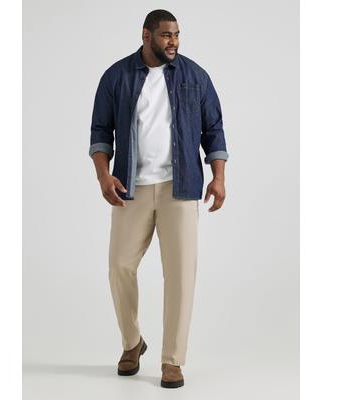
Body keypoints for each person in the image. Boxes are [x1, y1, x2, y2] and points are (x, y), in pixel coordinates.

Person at [89, 9, 228, 389]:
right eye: (167, 35)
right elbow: (100, 131)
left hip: (179, 188)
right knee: (119, 266)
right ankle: (132, 342)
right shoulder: (116, 76)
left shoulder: (195, 77)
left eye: (177, 35)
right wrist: (103, 175)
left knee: (181, 275)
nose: (174, 42)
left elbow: (214, 129)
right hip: (130, 187)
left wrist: (218, 177)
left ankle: (172, 360)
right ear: (146, 35)